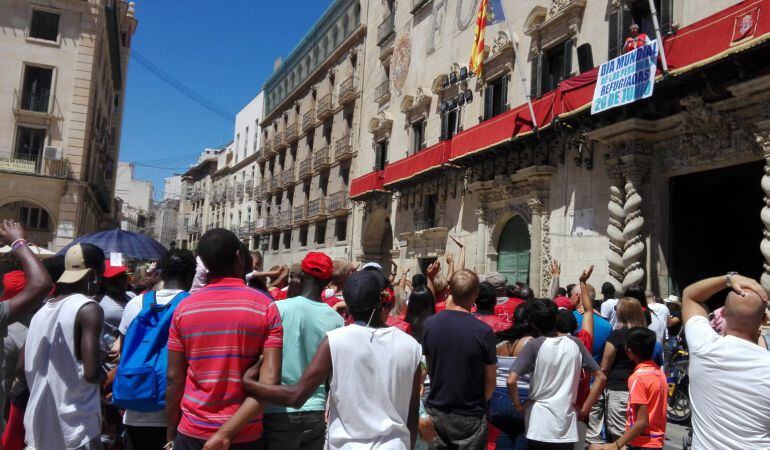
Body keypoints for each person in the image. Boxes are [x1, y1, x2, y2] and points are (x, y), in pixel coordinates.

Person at [241, 269, 423, 449]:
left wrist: (251, 384)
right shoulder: (411, 346)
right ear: (386, 302)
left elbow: (296, 396)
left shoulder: (335, 341)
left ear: (348, 305)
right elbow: (412, 417)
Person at [166, 229, 282, 450]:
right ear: (239, 256)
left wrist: (171, 430)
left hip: (192, 432)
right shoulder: (266, 307)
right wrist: (225, 434)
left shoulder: (184, 309)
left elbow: (174, 378)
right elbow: (270, 383)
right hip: (244, 434)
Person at [259, 252, 343, 450]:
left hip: (276, 409)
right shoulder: (337, 320)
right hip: (315, 411)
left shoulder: (277, 308)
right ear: (328, 282)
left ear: (302, 276)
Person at [114, 249, 196, 450]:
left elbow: (123, 354)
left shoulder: (135, 304)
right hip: (175, 414)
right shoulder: (193, 305)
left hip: (135, 408)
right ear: (191, 275)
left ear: (161, 273)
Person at [24, 243, 103, 450]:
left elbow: (20, 368)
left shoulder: (40, 313)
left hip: (38, 427)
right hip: (77, 429)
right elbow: (92, 373)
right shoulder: (88, 309)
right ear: (93, 275)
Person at [681, 274, 770, 449]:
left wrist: (729, 279)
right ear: (763, 320)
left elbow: (690, 296)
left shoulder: (703, 346)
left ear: (723, 313)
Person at [508, 297, 605, 450]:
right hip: (565, 424)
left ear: (533, 324)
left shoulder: (533, 346)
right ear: (556, 318)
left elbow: (511, 380)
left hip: (538, 424)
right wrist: (585, 408)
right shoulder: (576, 343)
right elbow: (601, 377)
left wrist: (519, 406)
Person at [422, 270, 496, 449]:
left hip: (437, 410)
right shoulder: (483, 332)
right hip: (470, 414)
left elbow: (427, 366)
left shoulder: (430, 325)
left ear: (449, 290)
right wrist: (479, 403)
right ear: (476, 294)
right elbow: (491, 381)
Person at [588, 298, 648, 449]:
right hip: (640, 389)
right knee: (632, 436)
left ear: (622, 313)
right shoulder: (647, 335)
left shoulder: (617, 335)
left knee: (618, 439)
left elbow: (604, 367)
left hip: (618, 389)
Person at [599, 327, 667, 450]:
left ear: (628, 350)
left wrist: (616, 444)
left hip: (642, 443)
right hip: (656, 441)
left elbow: (642, 421)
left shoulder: (637, 378)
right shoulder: (659, 374)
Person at [490, 303, 533, 450]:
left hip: (498, 398)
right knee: (523, 436)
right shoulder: (532, 343)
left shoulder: (501, 344)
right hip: (522, 396)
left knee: (503, 436)